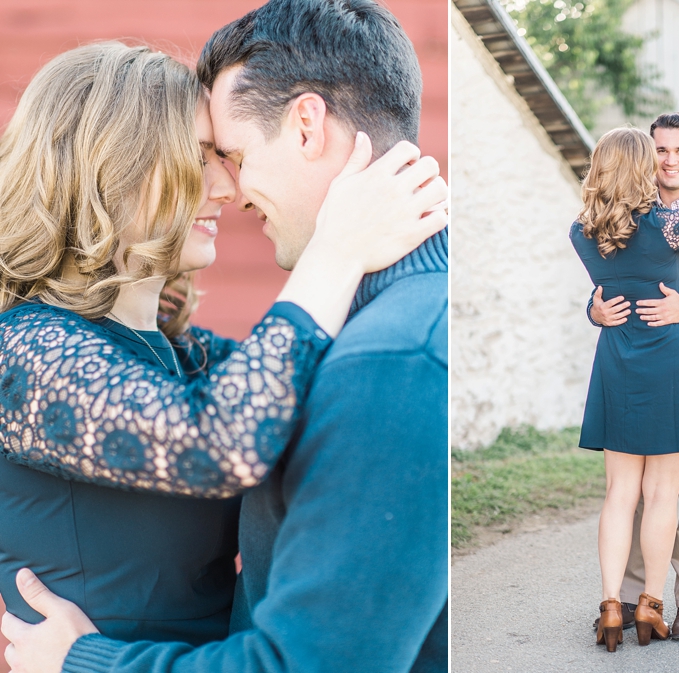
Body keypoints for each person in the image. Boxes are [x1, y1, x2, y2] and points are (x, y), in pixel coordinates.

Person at [1, 1, 448, 672]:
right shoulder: (21, 349)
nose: (226, 184)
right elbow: (218, 442)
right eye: (196, 159)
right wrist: (338, 248)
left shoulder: (192, 355)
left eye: (224, 156)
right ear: (106, 171)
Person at [569, 127, 679, 652]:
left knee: (619, 494)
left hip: (618, 358)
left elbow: (608, 287)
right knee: (663, 494)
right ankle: (649, 604)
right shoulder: (669, 225)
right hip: (672, 359)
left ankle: (610, 606)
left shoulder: (582, 230)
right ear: (643, 165)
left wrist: (600, 309)